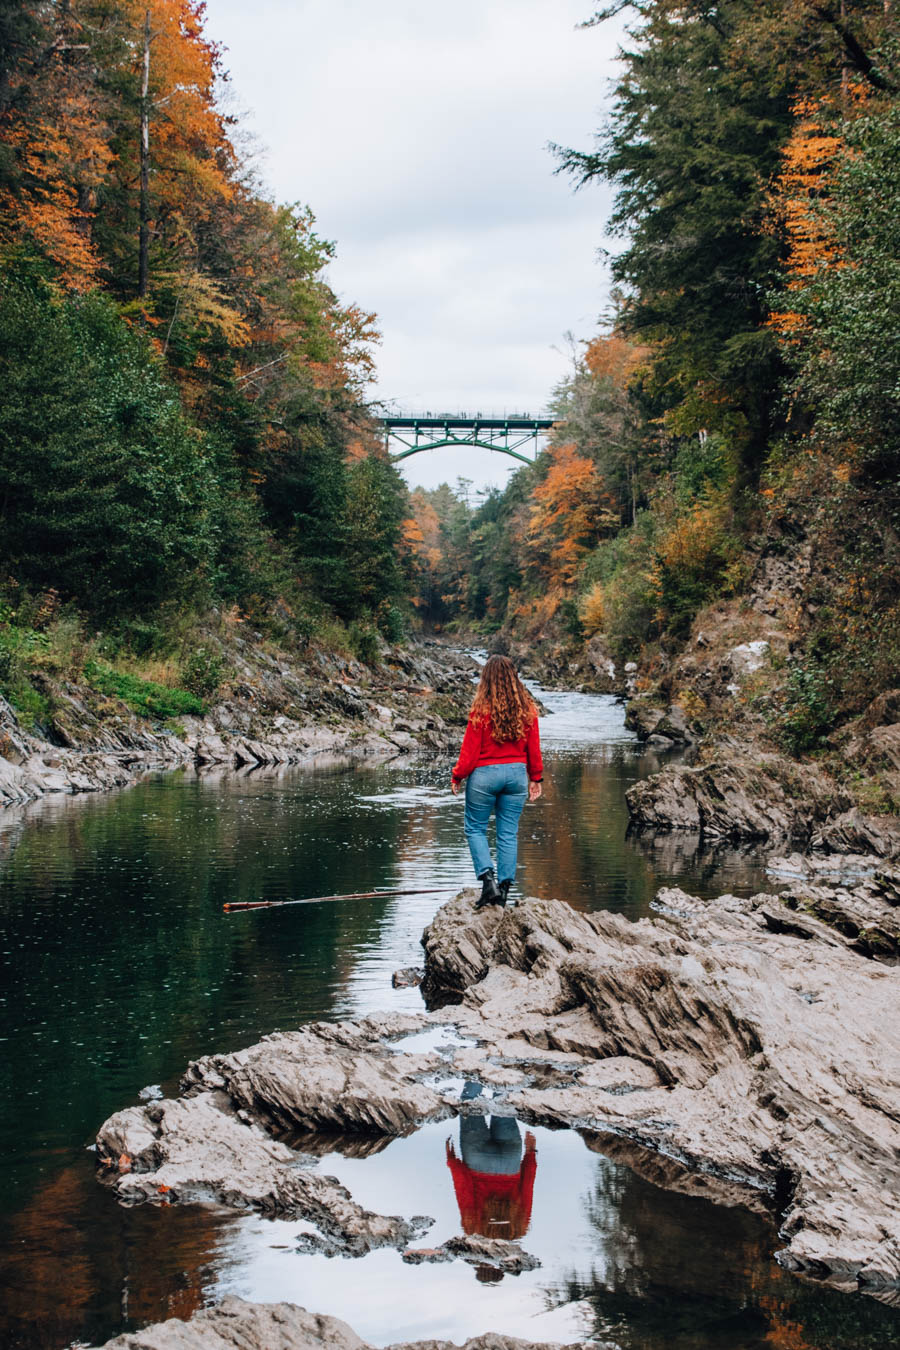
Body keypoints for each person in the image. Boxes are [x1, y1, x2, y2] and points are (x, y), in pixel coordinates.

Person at [450, 654, 542, 908]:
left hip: (485, 776)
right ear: (514, 678)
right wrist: (536, 778)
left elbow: (469, 753)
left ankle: (487, 880)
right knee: (508, 833)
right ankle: (503, 892)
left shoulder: (480, 711)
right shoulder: (528, 710)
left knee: (475, 828)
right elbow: (534, 749)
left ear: (486, 680)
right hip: (516, 777)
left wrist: (457, 775)